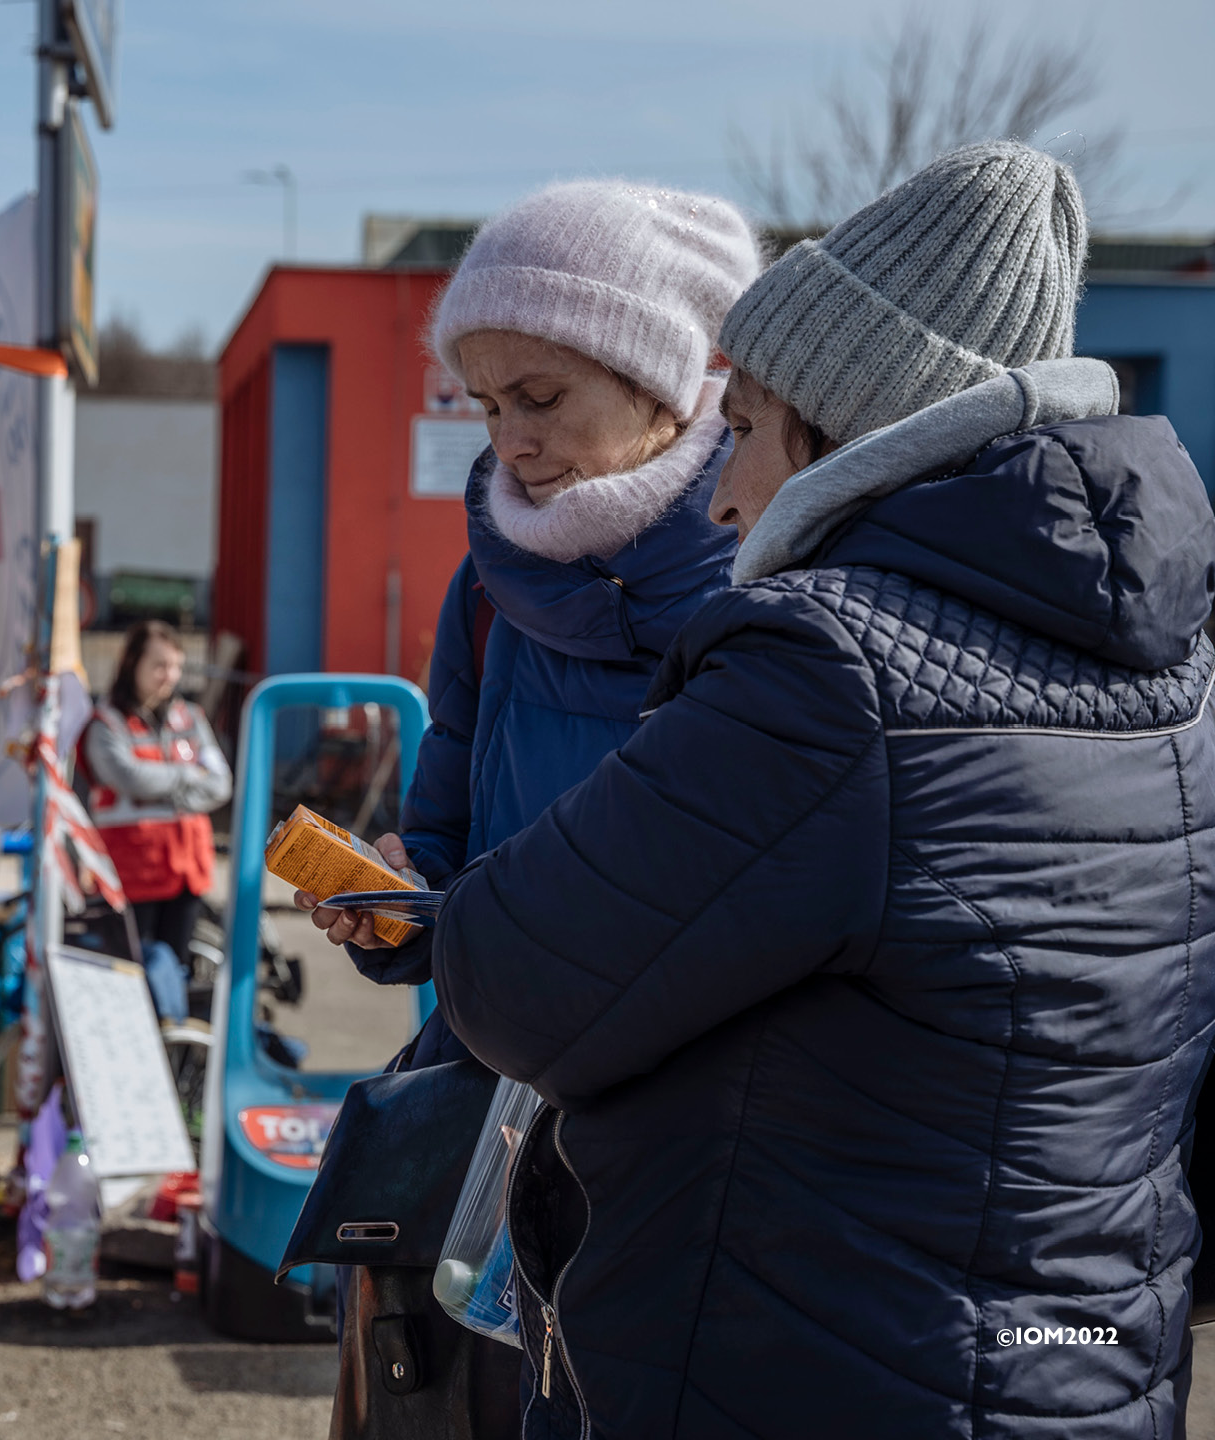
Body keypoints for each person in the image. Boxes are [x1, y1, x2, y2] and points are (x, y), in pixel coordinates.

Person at [431, 141, 1215, 1438]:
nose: (729, 499)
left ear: (852, 427)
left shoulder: (828, 670)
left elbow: (514, 977)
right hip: (1081, 1363)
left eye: (740, 432)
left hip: (820, 1363)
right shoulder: (1178, 668)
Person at [292, 182, 760, 1437]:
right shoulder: (488, 586)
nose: (511, 440)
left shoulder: (769, 587)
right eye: (486, 405)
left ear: (667, 380)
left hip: (682, 1136)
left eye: (542, 398)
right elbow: (441, 836)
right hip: (488, 1104)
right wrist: (390, 904)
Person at [81, 620, 232, 1023]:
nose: (170, 676)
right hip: (133, 873)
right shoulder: (106, 723)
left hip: (187, 869)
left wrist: (162, 783)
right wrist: (186, 776)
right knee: (135, 973)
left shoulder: (190, 717)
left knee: (175, 974)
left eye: (176, 666)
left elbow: (221, 784)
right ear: (132, 664)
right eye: (160, 665)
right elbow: (128, 777)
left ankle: (174, 1053)